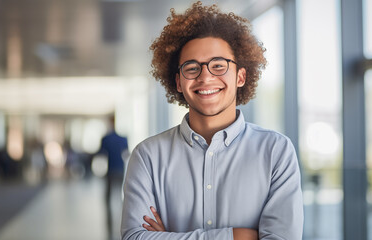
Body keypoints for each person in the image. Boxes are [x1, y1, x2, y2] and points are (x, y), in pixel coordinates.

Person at [121, 2, 303, 240]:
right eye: (192, 67)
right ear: (178, 82)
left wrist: (170, 236)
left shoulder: (276, 151)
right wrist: (239, 236)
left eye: (218, 65)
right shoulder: (147, 156)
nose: (205, 77)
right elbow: (135, 237)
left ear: (240, 76)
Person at [99, 115, 129, 240]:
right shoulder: (123, 138)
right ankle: (123, 221)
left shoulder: (105, 138)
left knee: (108, 198)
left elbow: (101, 153)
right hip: (120, 169)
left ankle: (110, 224)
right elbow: (126, 153)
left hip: (110, 170)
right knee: (120, 195)